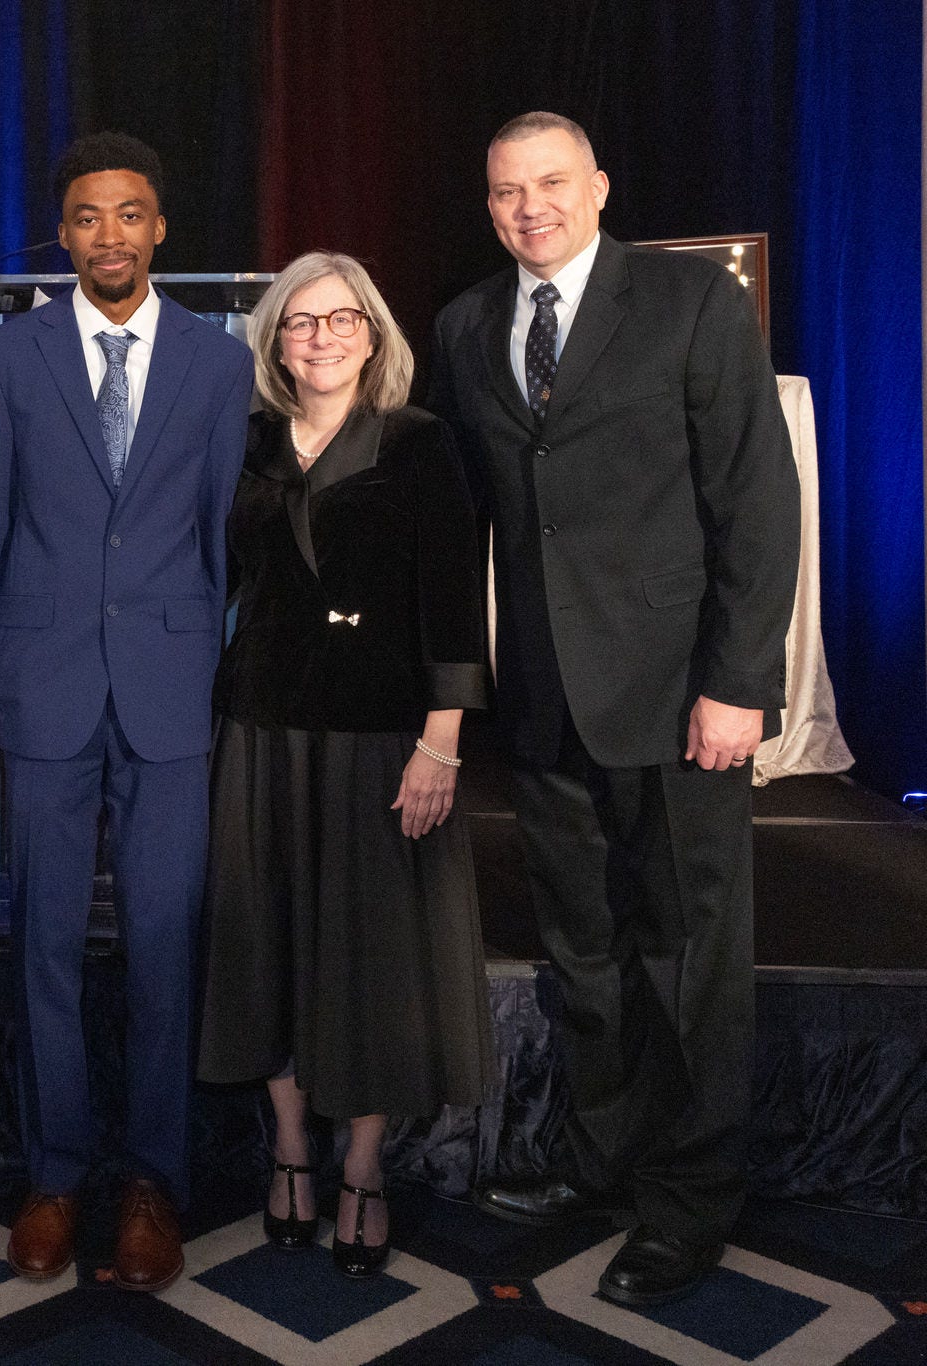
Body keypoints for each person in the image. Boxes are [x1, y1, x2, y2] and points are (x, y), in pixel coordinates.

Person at [429, 112, 798, 1306]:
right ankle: (602, 1161)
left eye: (548, 182)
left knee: (688, 960)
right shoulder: (465, 325)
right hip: (539, 709)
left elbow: (755, 501)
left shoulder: (687, 304)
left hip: (678, 698)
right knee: (581, 957)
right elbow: (465, 525)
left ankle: (687, 1201)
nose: (526, 206)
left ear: (597, 183)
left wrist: (737, 685)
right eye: (502, 190)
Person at [0, 131, 251, 1292]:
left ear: (159, 228)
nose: (108, 236)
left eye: (128, 214)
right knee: (38, 942)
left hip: (171, 695)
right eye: (85, 217)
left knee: (163, 945)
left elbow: (222, 538)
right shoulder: (7, 354)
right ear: (62, 233)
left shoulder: (218, 362)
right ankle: (52, 1174)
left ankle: (148, 1183)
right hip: (43, 691)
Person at [197, 252, 493, 1278]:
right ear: (271, 341)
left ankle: (361, 1163)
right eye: (297, 324)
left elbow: (453, 601)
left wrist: (438, 742)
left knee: (365, 963)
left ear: (373, 334)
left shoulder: (417, 445)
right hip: (261, 730)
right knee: (265, 943)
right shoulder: (242, 446)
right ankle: (287, 1147)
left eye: (339, 321)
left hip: (381, 743)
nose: (318, 339)